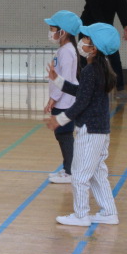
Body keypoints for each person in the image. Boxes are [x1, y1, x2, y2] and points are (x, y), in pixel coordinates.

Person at [44, 22, 120, 226]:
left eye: (86, 39)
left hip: (90, 131)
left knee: (79, 175)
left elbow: (81, 103)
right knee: (97, 174)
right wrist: (58, 80)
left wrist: (59, 120)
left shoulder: (90, 71)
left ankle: (81, 215)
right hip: (102, 131)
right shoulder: (100, 70)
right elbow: (82, 93)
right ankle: (109, 212)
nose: (82, 42)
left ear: (94, 48)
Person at [44, 10, 81, 184]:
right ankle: (68, 168)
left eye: (53, 29)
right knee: (61, 134)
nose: (50, 33)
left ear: (63, 32)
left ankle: (70, 171)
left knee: (64, 134)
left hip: (65, 101)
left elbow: (64, 79)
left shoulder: (66, 51)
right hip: (63, 100)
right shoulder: (65, 49)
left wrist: (53, 98)